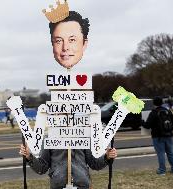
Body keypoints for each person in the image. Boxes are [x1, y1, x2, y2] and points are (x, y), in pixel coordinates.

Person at [19, 11, 118, 189]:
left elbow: (95, 164)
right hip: (58, 185)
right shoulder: (51, 137)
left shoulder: (83, 134)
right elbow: (41, 168)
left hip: (81, 185)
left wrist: (107, 158)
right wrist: (29, 157)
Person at [143, 97, 173, 175]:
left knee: (161, 153)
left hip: (157, 136)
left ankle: (162, 171)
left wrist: (142, 122)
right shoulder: (167, 111)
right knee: (170, 152)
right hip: (169, 135)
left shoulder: (154, 112)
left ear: (154, 103)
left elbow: (147, 126)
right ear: (162, 103)